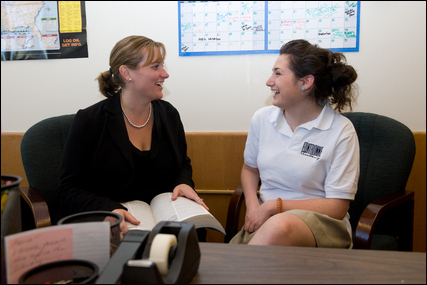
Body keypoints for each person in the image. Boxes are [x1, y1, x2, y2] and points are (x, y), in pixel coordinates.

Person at [57, 35, 208, 239]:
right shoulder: (90, 120)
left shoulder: (169, 114)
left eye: (162, 66)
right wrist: (108, 209)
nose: (165, 74)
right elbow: (68, 189)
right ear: (126, 73)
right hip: (115, 226)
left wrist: (183, 183)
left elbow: (183, 163)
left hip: (167, 221)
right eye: (155, 67)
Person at [229, 39, 360, 248]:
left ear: (305, 82)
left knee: (280, 226)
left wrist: (275, 206)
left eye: (278, 73)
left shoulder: (341, 131)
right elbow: (249, 169)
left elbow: (337, 207)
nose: (269, 81)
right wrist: (254, 206)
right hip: (266, 218)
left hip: (323, 224)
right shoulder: (262, 119)